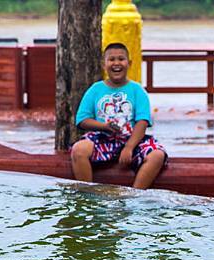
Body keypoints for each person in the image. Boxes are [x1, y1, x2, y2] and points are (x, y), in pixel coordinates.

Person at [71, 42, 166, 189]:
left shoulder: (137, 90)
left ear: (129, 63)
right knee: (79, 149)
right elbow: (82, 120)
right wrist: (104, 126)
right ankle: (87, 192)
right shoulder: (95, 89)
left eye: (121, 59)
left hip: (132, 140)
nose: (116, 63)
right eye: (111, 59)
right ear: (104, 64)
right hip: (102, 138)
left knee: (157, 155)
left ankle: (134, 194)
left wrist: (129, 147)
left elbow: (142, 122)